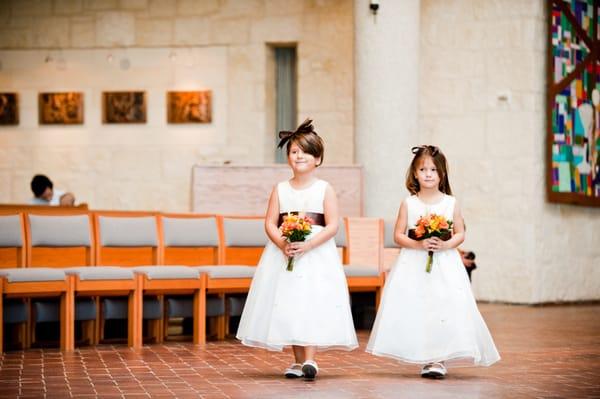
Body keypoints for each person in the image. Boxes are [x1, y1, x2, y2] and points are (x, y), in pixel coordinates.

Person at [236, 119, 358, 380]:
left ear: (318, 159)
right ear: (288, 157)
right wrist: (282, 243)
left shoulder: (324, 189)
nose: (299, 155)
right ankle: (297, 361)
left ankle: (310, 360)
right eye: (293, 151)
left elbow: (333, 224)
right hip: (285, 251)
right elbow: (270, 222)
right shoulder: (280, 189)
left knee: (310, 300)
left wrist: (310, 244)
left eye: (305, 151)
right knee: (289, 300)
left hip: (315, 254)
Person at [366, 145, 499, 379]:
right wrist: (418, 245)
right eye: (423, 169)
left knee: (443, 305)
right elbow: (398, 235)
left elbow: (460, 233)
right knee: (419, 306)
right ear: (414, 173)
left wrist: (447, 245)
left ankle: (438, 359)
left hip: (444, 263)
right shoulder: (409, 203)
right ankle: (424, 356)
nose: (428, 174)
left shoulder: (450, 203)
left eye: (433, 170)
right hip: (414, 263)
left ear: (442, 174)